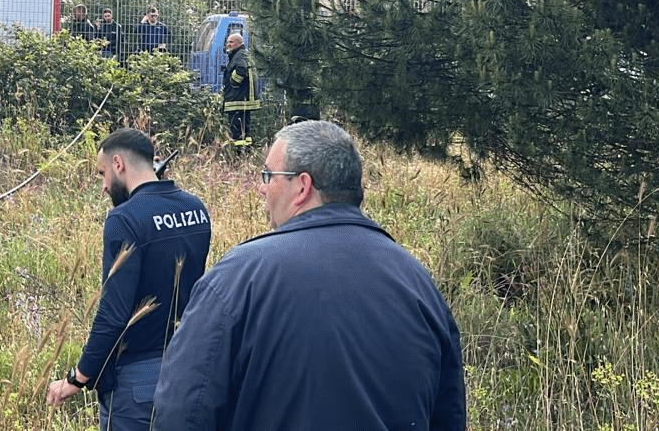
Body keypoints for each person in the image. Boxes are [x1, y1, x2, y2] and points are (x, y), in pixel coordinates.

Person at [152, 120, 466, 431]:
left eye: (268, 176)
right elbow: (448, 416)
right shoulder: (418, 283)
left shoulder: (236, 278)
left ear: (302, 186)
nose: (262, 188)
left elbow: (183, 413)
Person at [46, 129, 212, 430]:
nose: (104, 187)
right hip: (188, 365)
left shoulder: (124, 219)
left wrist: (78, 377)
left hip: (137, 379)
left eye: (102, 173)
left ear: (119, 164)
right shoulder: (196, 208)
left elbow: (114, 312)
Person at [220, 32, 259, 144]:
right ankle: (246, 151)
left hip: (238, 100)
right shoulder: (242, 55)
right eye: (228, 42)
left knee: (237, 131)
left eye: (231, 42)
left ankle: (239, 153)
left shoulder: (239, 56)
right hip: (243, 100)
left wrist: (233, 83)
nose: (228, 44)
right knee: (245, 130)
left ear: (239, 43)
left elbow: (241, 70)